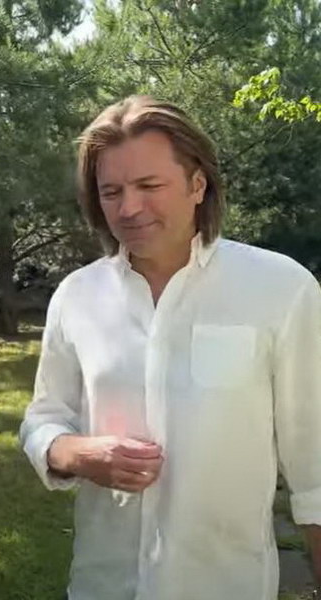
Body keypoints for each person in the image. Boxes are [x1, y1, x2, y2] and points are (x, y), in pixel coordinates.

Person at [20, 95, 321, 599]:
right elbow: (42, 417)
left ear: (197, 184)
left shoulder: (281, 290)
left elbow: (315, 468)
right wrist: (74, 453)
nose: (128, 208)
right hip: (102, 585)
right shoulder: (77, 296)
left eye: (149, 186)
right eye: (112, 191)